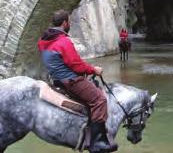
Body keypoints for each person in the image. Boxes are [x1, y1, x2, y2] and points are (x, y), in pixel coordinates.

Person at [37, 10, 117, 153]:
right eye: (69, 22)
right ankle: (97, 142)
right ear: (64, 23)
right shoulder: (63, 41)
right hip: (71, 81)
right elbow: (76, 65)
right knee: (99, 99)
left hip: (57, 80)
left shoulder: (43, 40)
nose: (70, 24)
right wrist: (94, 70)